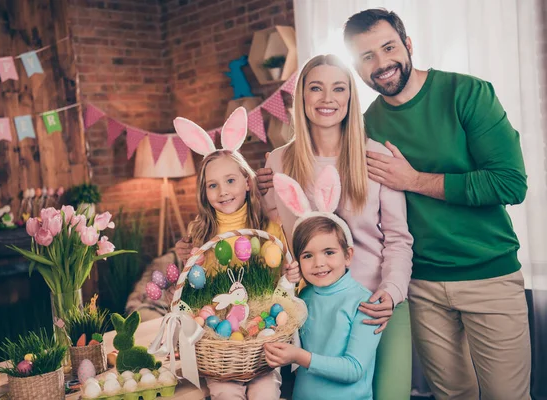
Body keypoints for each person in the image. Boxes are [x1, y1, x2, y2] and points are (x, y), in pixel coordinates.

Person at [343, 8, 531, 400]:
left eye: (388, 47)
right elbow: (330, 178)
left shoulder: (468, 93)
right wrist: (270, 180)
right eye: (367, 57)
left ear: (408, 45)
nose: (381, 64)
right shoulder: (365, 127)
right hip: (421, 285)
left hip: (489, 276)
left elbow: (511, 183)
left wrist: (413, 181)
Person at [255, 54, 414, 399]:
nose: (327, 98)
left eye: (338, 88)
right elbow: (276, 238)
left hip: (377, 307)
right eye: (316, 88)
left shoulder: (376, 158)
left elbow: (399, 241)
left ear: (350, 97)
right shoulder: (277, 162)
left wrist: (390, 293)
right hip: (315, 310)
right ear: (302, 98)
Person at [172, 107, 286, 400]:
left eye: (231, 181)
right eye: (213, 185)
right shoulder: (199, 231)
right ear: (204, 192)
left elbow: (283, 281)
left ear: (247, 182)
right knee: (225, 394)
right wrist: (184, 256)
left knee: (265, 394)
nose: (223, 192)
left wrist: (291, 273)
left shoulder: (269, 225)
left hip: (261, 343)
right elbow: (193, 291)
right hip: (220, 347)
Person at [264, 166, 381, 400]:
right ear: (298, 261)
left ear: (348, 255)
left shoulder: (364, 302)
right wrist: (288, 284)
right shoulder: (303, 299)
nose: (319, 263)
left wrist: (299, 356)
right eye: (308, 255)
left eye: (329, 252)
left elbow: (354, 369)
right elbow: (275, 314)